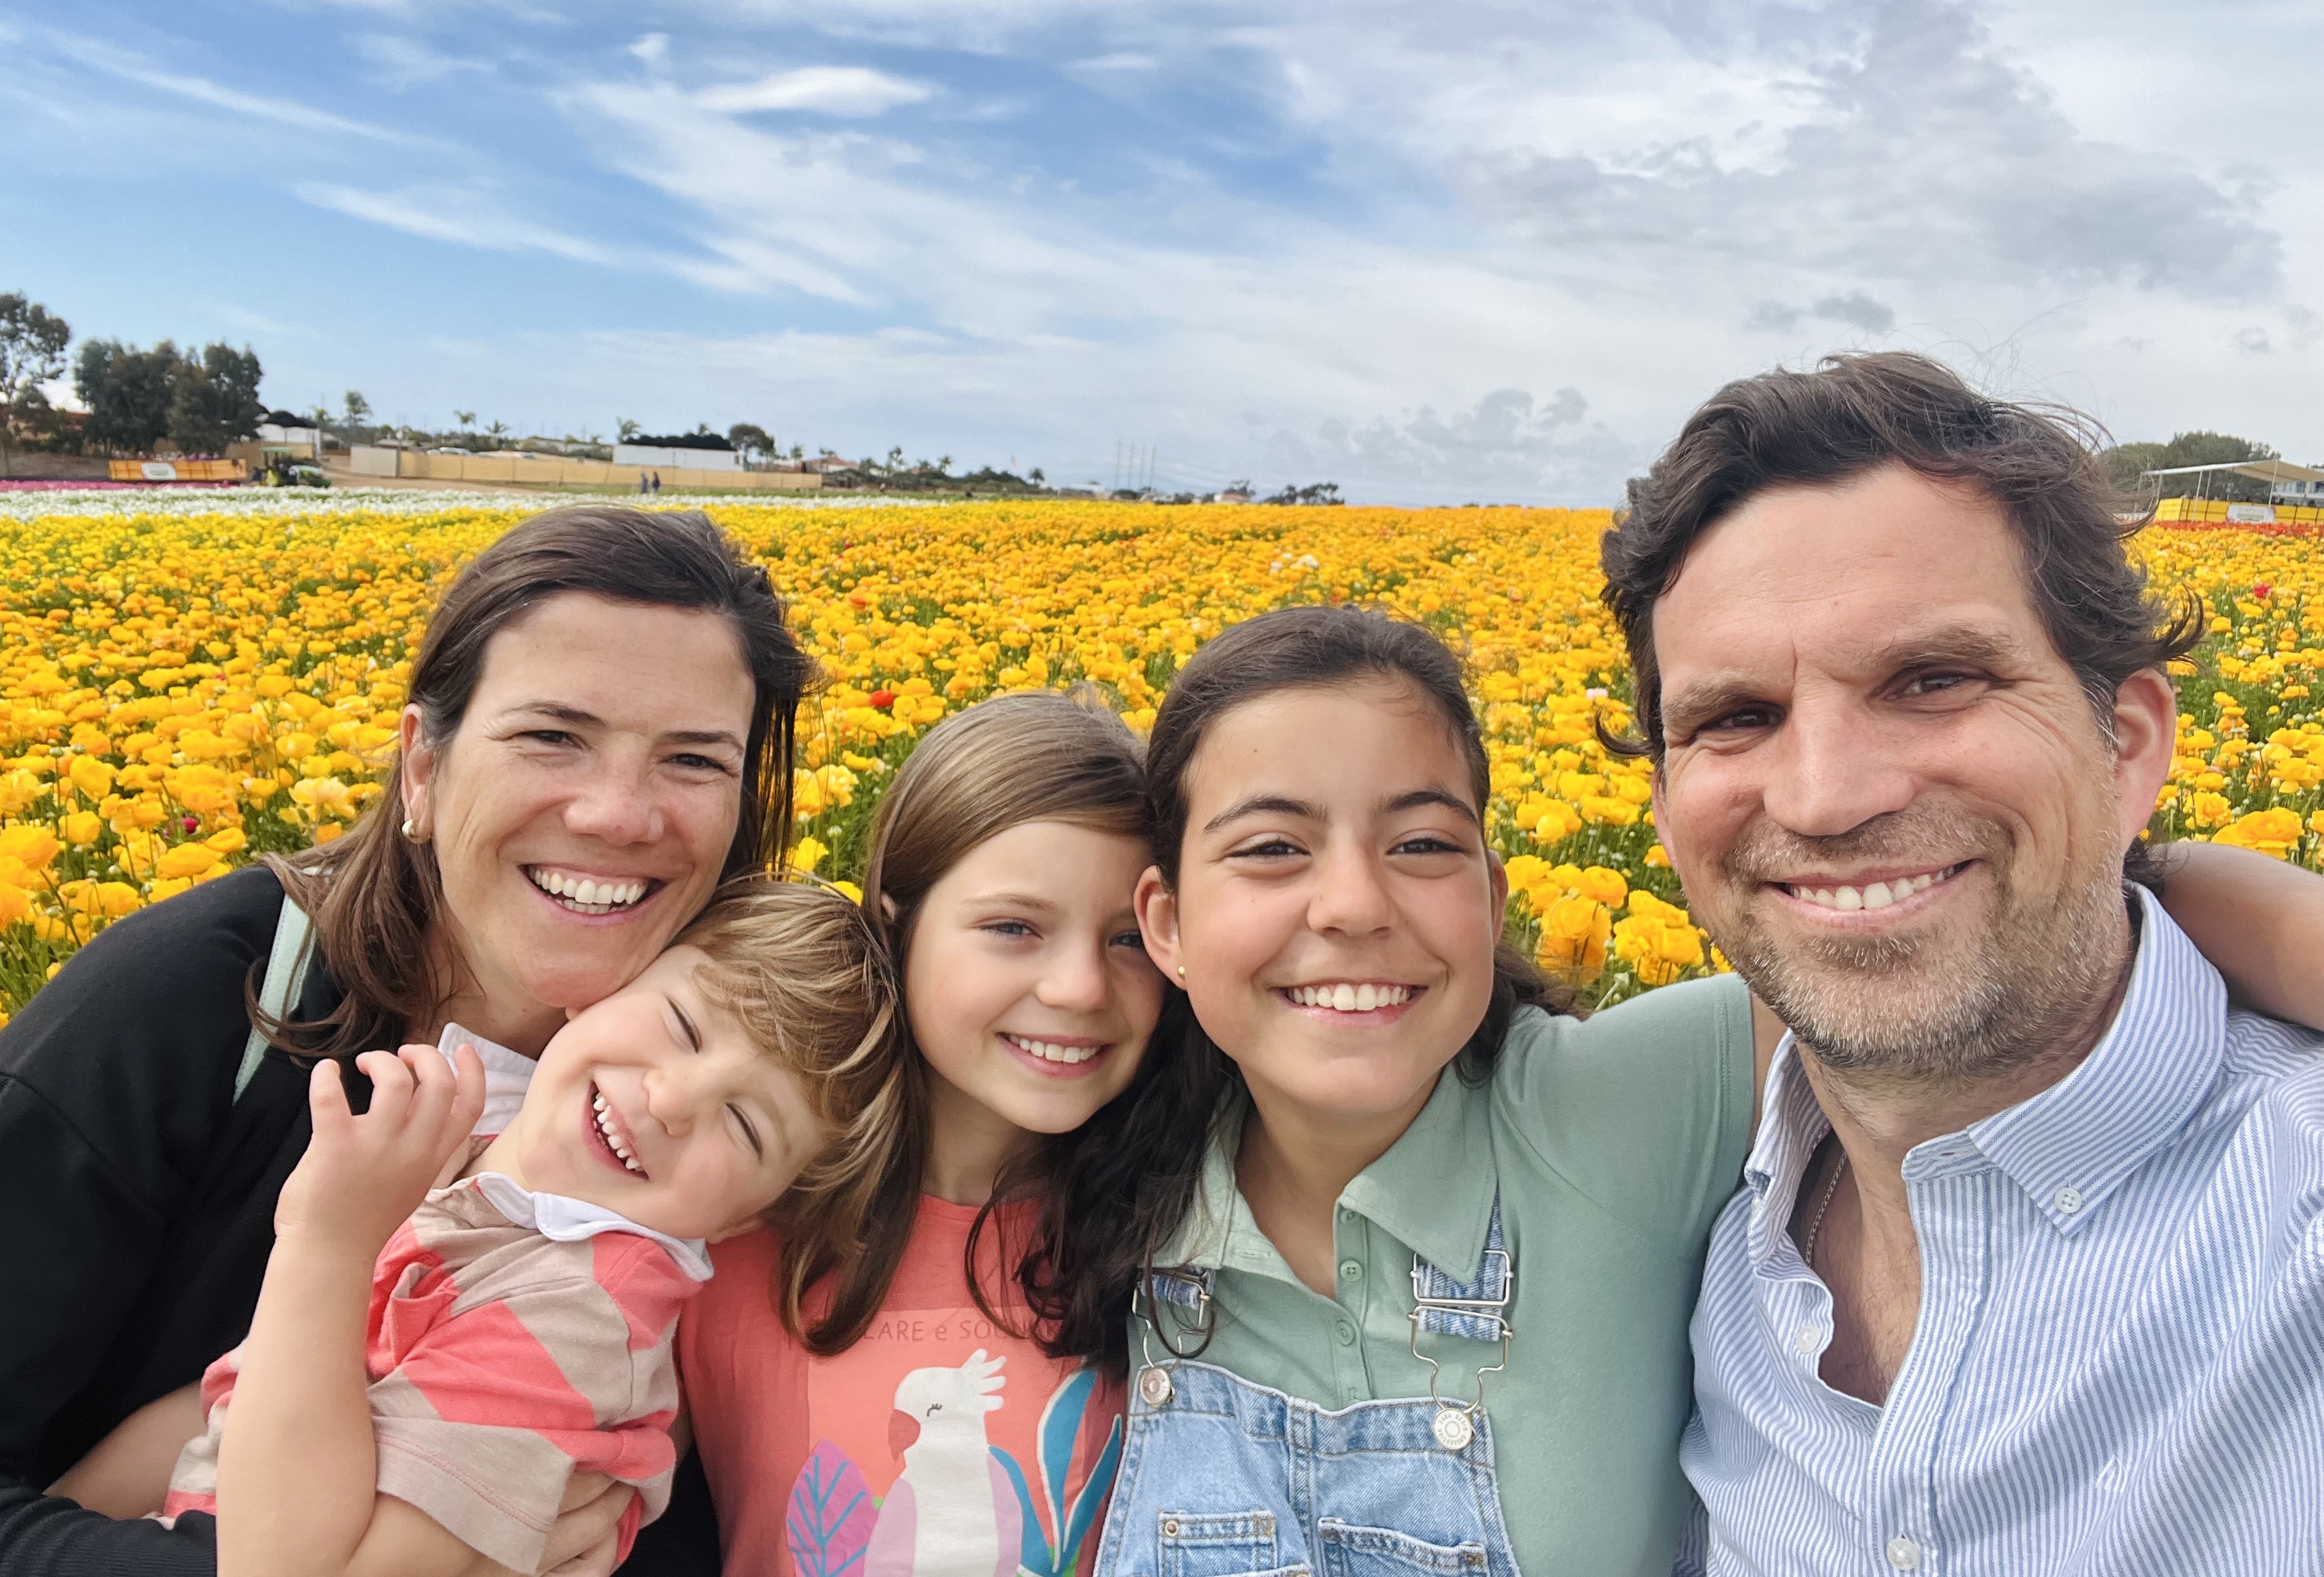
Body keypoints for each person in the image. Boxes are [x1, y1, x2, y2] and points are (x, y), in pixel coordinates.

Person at [1041, 600, 2324, 1577]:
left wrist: (2279, 931)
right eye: (1270, 848)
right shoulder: (1086, 1170)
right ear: (1164, 921)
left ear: (1493, 902)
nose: (1353, 905)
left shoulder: (1611, 1108)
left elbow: (1973, 922)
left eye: (1423, 844)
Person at [0, 504, 814, 1576]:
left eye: (693, 760)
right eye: (553, 735)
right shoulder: (185, 1006)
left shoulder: (739, 1090)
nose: (619, 814)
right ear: (423, 764)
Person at [1594, 354, 2324, 1572]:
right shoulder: (1673, 1217)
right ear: (1664, 811)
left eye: (1935, 680)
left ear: (2129, 745)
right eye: (1735, 717)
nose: (1824, 799)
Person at [67, 880, 899, 1577]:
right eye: (683, 1026)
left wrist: (325, 1247)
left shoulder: (581, 1317)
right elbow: (226, 1404)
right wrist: (46, 1520)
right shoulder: (467, 1148)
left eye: (748, 1126)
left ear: (749, 1216)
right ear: (603, 988)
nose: (672, 1100)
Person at [667, 691, 1171, 1577]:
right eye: (1014, 928)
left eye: (1128, 941)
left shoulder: (1181, 1244)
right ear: (895, 924)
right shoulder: (730, 1221)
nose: (1081, 988)